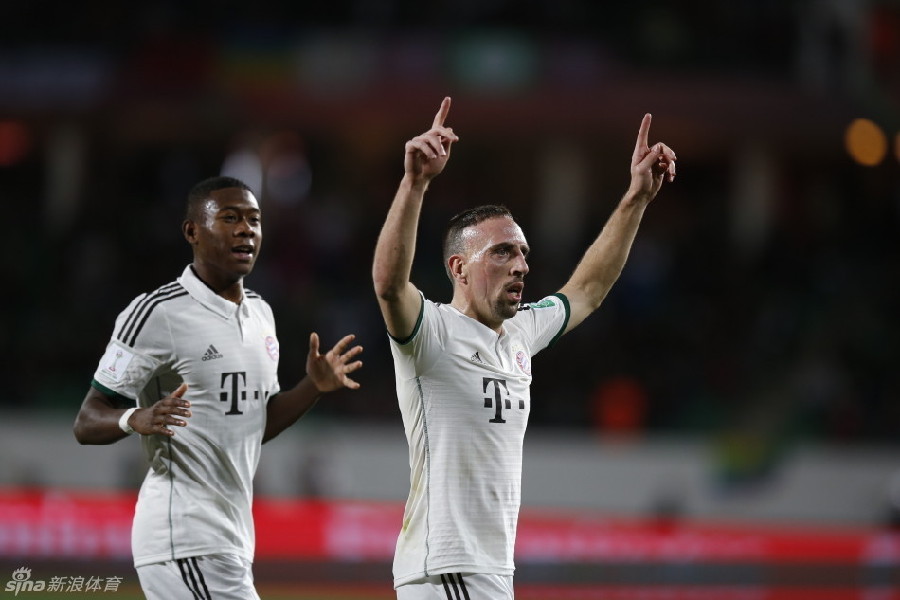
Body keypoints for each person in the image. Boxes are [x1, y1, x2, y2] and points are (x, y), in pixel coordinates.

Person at [372, 97, 676, 598]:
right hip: (448, 567)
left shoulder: (518, 335)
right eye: (503, 252)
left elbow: (587, 291)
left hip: (484, 569)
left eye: (523, 253)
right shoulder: (432, 334)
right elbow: (388, 284)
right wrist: (415, 183)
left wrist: (636, 199)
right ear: (459, 268)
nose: (521, 265)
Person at [73, 175, 363, 600]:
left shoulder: (262, 315)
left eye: (254, 220)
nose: (246, 229)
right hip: (184, 536)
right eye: (230, 218)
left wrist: (311, 387)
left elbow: (252, 426)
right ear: (192, 231)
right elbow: (86, 420)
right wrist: (135, 417)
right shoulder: (157, 313)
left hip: (231, 538)